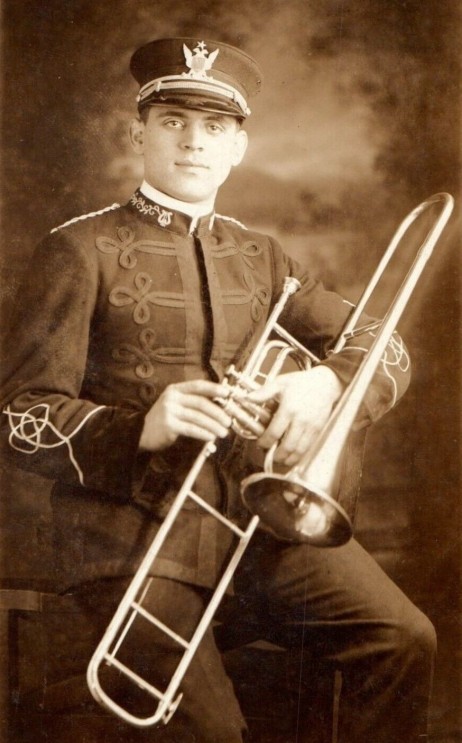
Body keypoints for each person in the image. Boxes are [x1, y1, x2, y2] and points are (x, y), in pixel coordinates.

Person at [0, 36, 435, 742]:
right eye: (173, 121)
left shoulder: (263, 256)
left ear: (238, 146)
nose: (193, 142)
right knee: (213, 734)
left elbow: (386, 347)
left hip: (256, 536)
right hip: (130, 549)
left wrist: (324, 385)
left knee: (404, 638)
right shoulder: (78, 249)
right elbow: (18, 415)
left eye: (215, 127)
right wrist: (141, 424)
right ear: (137, 132)